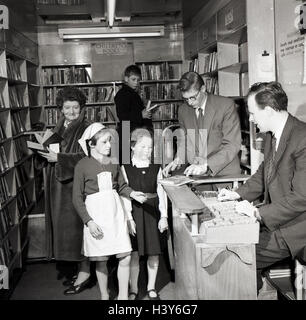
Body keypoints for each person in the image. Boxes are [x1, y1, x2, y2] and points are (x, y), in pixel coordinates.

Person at [217, 81, 306, 291]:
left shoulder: (303, 138)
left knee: (239, 258)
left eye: (252, 113)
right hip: (277, 221)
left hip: (297, 228)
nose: (250, 118)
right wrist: (236, 194)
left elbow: (302, 197)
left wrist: (258, 213)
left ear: (268, 110)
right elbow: (263, 174)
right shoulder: (269, 135)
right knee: (235, 249)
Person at [73, 123, 147, 300]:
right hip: (96, 216)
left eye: (110, 142)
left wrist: (132, 193)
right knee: (101, 260)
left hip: (115, 214)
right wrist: (89, 222)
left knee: (126, 256)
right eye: (105, 142)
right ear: (91, 144)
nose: (109, 146)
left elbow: (121, 186)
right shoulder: (82, 166)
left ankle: (122, 297)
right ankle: (104, 295)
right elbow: (76, 198)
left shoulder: (113, 162)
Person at [39, 87, 93, 294]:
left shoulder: (88, 127)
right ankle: (79, 269)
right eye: (67, 107)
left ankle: (85, 272)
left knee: (79, 231)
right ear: (61, 109)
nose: (71, 111)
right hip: (58, 187)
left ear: (81, 108)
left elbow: (89, 156)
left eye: (75, 107)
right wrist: (41, 149)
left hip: (76, 187)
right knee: (67, 231)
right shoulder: (59, 126)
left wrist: (59, 159)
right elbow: (53, 149)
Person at [163, 71, 241, 181]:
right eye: (186, 99)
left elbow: (232, 144)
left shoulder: (225, 105)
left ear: (203, 89)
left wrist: (207, 165)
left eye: (193, 97)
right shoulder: (183, 110)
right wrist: (178, 159)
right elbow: (186, 141)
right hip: (198, 176)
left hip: (225, 173)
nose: (189, 102)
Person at [121, 128, 168, 300]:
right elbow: (124, 195)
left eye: (149, 147)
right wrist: (128, 218)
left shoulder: (156, 168)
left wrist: (164, 217)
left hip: (152, 214)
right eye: (142, 147)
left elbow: (161, 193)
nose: (147, 151)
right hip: (135, 214)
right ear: (132, 147)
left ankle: (151, 287)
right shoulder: (125, 168)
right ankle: (133, 288)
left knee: (153, 252)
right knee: (134, 253)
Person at [115, 65, 152, 163]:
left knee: (135, 162)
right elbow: (122, 116)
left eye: (138, 80)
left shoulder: (132, 93)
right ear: (126, 79)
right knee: (128, 163)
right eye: (133, 79)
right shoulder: (122, 94)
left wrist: (144, 114)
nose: (136, 82)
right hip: (127, 132)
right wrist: (141, 115)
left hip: (134, 132)